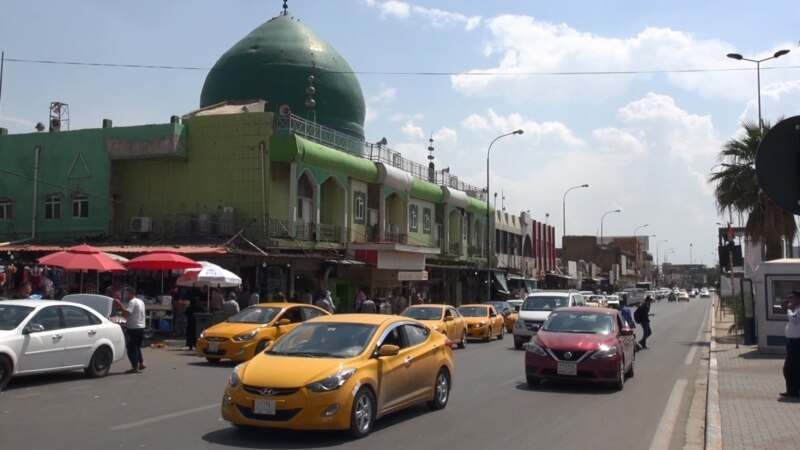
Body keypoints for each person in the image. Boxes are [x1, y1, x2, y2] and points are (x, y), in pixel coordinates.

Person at [113, 286, 147, 374]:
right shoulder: (140, 301)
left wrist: (119, 304)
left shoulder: (132, 301)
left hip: (134, 327)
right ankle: (141, 363)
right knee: (137, 347)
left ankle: (134, 366)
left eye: (126, 293)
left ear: (131, 293)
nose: (125, 295)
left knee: (131, 348)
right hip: (141, 326)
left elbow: (128, 312)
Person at [780, 290, 800, 398]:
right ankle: (792, 389)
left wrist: (788, 309)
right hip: (793, 343)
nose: (790, 300)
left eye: (792, 298)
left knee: (791, 368)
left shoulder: (798, 310)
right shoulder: (796, 309)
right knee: (790, 368)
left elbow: (794, 319)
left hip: (797, 343)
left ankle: (794, 390)